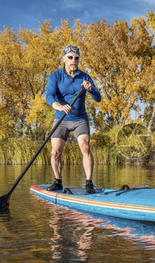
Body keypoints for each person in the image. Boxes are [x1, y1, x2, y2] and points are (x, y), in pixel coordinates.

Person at [44, 45, 102, 194]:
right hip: (61, 118)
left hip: (79, 119)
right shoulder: (55, 76)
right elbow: (49, 96)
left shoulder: (85, 77)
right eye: (70, 57)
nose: (73, 60)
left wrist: (90, 89)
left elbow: (98, 98)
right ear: (63, 58)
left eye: (76, 58)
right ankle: (58, 182)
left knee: (85, 147)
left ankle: (89, 183)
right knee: (55, 153)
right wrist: (59, 106)